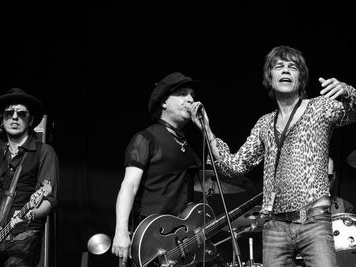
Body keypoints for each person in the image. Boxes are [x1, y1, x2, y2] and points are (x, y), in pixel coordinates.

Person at [190, 46, 356, 266]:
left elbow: (352, 113)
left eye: (292, 67)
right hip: (275, 226)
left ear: (301, 78)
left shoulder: (320, 107)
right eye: (279, 67)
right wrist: (208, 132)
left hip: (313, 221)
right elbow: (235, 166)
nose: (286, 70)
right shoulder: (265, 124)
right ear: (270, 77)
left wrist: (349, 91)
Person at [111, 72, 202, 265]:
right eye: (183, 93)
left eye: (192, 94)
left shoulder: (186, 144)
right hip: (151, 238)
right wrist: (121, 230)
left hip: (179, 239)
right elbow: (129, 186)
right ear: (163, 102)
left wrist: (206, 128)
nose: (191, 99)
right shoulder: (146, 139)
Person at [0, 88, 59, 267]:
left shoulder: (44, 152)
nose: (15, 117)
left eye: (21, 113)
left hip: (23, 235)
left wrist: (30, 215)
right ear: (2, 119)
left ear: (30, 120)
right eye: (9, 112)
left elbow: (49, 200)